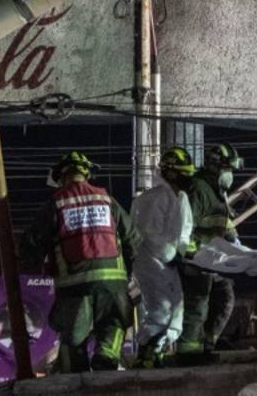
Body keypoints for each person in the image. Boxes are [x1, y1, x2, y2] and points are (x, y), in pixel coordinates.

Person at [22, 151, 139, 373]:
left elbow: (34, 242)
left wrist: (31, 267)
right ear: (86, 173)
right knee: (114, 324)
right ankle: (106, 358)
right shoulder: (106, 199)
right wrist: (129, 270)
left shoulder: (57, 203)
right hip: (113, 281)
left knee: (74, 337)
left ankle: (76, 378)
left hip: (75, 286)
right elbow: (132, 237)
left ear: (62, 177)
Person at [177, 143, 243, 364]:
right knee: (197, 305)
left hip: (213, 261)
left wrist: (236, 243)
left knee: (225, 298)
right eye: (228, 169)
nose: (230, 175)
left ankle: (208, 344)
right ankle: (188, 354)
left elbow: (223, 221)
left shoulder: (216, 191)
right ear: (215, 167)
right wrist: (192, 256)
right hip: (197, 260)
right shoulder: (199, 189)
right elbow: (186, 224)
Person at [130, 146, 195, 368]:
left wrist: (182, 253)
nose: (188, 178)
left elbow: (185, 231)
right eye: (184, 174)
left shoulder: (181, 198)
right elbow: (148, 233)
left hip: (169, 262)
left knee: (175, 308)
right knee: (159, 308)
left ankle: (157, 351)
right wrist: (170, 254)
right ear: (171, 173)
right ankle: (147, 354)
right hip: (150, 261)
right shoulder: (154, 198)